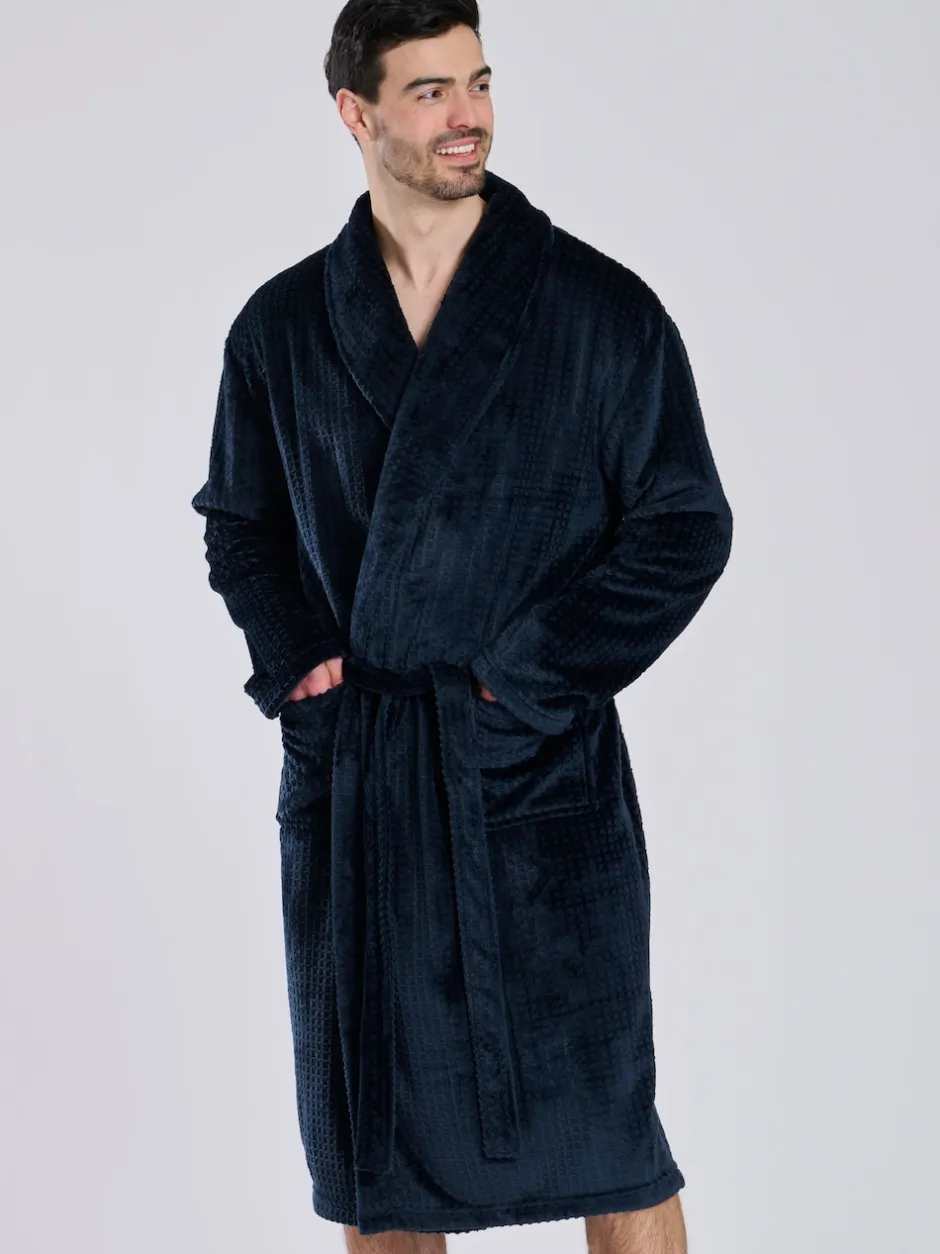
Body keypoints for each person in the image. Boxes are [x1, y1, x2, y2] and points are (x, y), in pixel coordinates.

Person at [191, 2, 732, 1250]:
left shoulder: (597, 310)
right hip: (366, 786)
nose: (467, 115)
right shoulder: (283, 326)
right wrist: (301, 665)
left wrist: (522, 680)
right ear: (356, 112)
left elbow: (682, 526)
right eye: (430, 90)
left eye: (478, 82)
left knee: (614, 1142)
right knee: (379, 1154)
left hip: (536, 779)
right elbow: (239, 523)